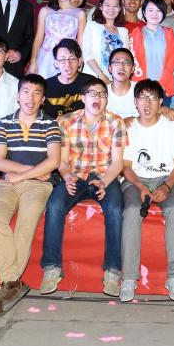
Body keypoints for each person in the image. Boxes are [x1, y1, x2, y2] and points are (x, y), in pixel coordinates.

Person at [0, 74, 61, 318]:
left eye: (36, 93)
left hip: (37, 186)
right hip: (10, 183)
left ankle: (6, 287)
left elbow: (54, 161)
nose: (30, 98)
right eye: (26, 92)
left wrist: (23, 176)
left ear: (43, 98)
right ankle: (12, 282)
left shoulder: (50, 124)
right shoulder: (4, 123)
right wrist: (30, 172)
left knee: (25, 225)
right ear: (17, 96)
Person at [39, 78, 128, 298]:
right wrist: (66, 176)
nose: (98, 98)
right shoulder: (66, 122)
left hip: (105, 176)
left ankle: (113, 271)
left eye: (102, 95)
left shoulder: (116, 123)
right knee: (55, 206)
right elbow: (61, 160)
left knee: (115, 209)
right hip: (75, 175)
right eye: (93, 94)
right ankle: (51, 268)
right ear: (83, 97)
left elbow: (117, 163)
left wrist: (105, 181)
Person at [119, 79, 174, 302]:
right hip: (136, 179)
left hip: (166, 178)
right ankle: (129, 278)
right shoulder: (128, 128)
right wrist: (140, 186)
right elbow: (126, 167)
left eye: (152, 98)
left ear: (161, 102)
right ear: (135, 102)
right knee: (132, 211)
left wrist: (167, 186)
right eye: (142, 98)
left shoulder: (173, 128)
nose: (147, 103)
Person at [30, 0, 86, 79]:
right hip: (46, 58)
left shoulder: (80, 13)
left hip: (68, 60)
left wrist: (80, 61)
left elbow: (80, 43)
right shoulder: (45, 11)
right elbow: (38, 39)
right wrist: (33, 61)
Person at [129, 0, 174, 104]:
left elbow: (172, 59)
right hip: (141, 86)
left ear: (164, 13)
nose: (154, 14)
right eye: (150, 10)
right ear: (144, 12)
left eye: (158, 10)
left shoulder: (169, 33)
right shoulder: (136, 33)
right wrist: (143, 86)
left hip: (164, 86)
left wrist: (161, 84)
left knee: (164, 114)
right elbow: (134, 60)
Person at [82, 0, 130, 83]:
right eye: (107, 5)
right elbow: (87, 54)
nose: (111, 9)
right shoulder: (92, 25)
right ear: (101, 7)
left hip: (115, 80)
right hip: (93, 77)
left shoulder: (124, 31)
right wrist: (101, 75)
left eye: (115, 6)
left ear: (120, 8)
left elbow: (125, 57)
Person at [43, 39, 93, 118]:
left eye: (72, 59)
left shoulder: (91, 83)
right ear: (56, 63)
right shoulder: (46, 86)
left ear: (80, 61)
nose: (68, 65)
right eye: (62, 60)